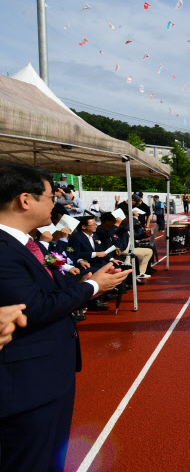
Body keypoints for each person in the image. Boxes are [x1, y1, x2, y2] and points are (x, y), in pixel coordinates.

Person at [0, 162, 130, 471]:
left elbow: (50, 289)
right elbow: (35, 307)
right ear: (25, 200)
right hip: (27, 385)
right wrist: (93, 286)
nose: (56, 204)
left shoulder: (26, 245)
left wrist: (92, 281)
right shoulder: (4, 250)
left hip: (46, 376)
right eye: (49, 196)